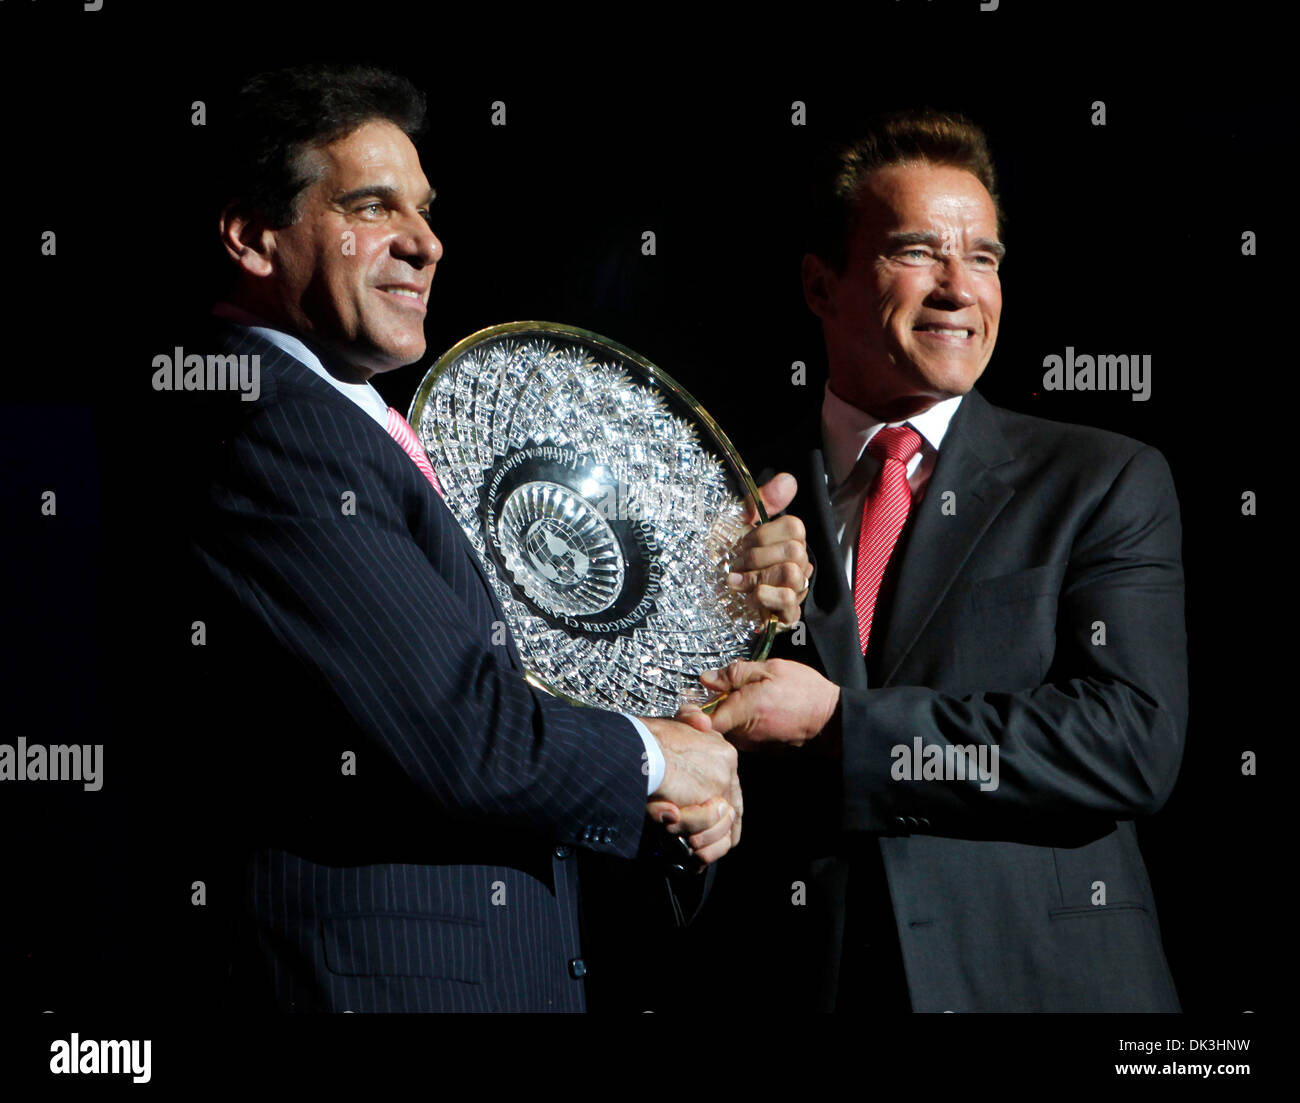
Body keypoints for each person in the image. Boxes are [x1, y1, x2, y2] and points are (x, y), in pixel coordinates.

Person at [170, 64, 811, 1012]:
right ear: (253, 238)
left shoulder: (357, 424)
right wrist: (658, 757)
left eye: (425, 211)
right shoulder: (270, 421)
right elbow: (461, 729)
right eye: (373, 207)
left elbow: (524, 680)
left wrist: (703, 612)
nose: (425, 243)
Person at [684, 109, 1187, 1013]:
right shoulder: (732, 498)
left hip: (1041, 987)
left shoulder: (1103, 480)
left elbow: (1128, 743)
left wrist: (843, 724)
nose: (961, 288)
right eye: (918, 251)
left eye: (985, 258)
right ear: (819, 283)